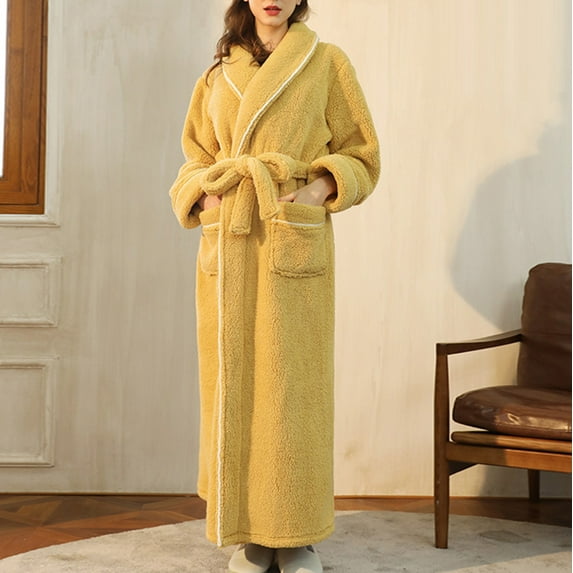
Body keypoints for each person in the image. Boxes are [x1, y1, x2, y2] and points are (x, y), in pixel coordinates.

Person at [169, 1, 380, 571]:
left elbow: (363, 155)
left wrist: (315, 192)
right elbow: (194, 158)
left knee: (292, 392)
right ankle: (250, 534)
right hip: (230, 243)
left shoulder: (327, 62)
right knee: (234, 388)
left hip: (290, 238)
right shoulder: (216, 76)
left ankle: (296, 532)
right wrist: (207, 199)